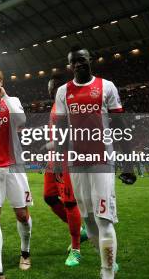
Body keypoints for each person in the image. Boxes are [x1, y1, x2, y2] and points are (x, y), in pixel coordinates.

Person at [53, 45, 135, 279]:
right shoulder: (63, 92)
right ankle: (109, 261)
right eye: (74, 62)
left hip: (101, 161)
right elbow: (61, 129)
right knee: (88, 219)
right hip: (76, 163)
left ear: (91, 60)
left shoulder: (106, 86)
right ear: (69, 66)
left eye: (82, 60)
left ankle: (107, 272)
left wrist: (127, 162)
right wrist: (58, 160)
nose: (78, 64)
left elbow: (120, 126)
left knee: (103, 217)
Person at [0, 67, 32, 279]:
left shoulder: (13, 101)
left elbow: (21, 121)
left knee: (21, 214)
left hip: (14, 166)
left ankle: (25, 252)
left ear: (2, 82)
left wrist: (6, 97)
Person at [43, 74, 86, 267]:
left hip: (68, 157)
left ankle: (76, 250)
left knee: (70, 202)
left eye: (53, 86)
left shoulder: (70, 105)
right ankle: (79, 230)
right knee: (50, 197)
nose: (50, 90)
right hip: (55, 158)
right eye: (50, 87)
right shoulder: (55, 106)